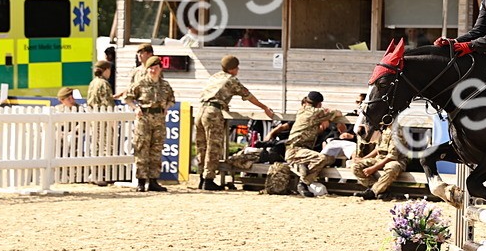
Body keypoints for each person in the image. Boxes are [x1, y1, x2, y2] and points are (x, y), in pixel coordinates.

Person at [195, 55, 276, 191]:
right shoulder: (231, 80)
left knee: (202, 146)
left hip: (200, 110)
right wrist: (264, 107)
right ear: (232, 69)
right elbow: (248, 96)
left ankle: (201, 178)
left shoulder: (214, 77)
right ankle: (208, 180)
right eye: (237, 68)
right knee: (213, 147)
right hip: (213, 112)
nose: (238, 70)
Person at [124, 56, 175, 192]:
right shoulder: (140, 83)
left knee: (156, 150)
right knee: (142, 149)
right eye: (151, 68)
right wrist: (135, 108)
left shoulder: (165, 85)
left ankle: (153, 181)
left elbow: (171, 99)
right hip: (144, 119)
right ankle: (141, 181)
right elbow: (128, 98)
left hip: (159, 119)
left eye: (156, 68)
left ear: (160, 69)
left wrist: (166, 107)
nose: (153, 70)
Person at [284, 91, 348, 198]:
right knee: (323, 158)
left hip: (295, 150)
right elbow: (338, 113)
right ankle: (303, 183)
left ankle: (302, 169)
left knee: (329, 159)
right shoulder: (316, 112)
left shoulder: (302, 110)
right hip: (296, 151)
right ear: (319, 104)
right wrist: (326, 115)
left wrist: (323, 118)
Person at [351, 121, 409, 199]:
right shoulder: (384, 129)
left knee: (392, 168)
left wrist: (373, 168)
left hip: (395, 160)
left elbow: (392, 156)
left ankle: (372, 192)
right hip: (380, 158)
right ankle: (381, 191)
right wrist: (363, 159)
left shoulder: (397, 131)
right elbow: (378, 149)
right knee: (355, 166)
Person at [86, 61, 117, 187]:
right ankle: (99, 174)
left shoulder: (93, 83)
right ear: (106, 70)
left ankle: (94, 173)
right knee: (106, 146)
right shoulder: (104, 83)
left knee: (96, 145)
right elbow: (108, 103)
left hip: (94, 117)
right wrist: (113, 122)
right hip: (104, 119)